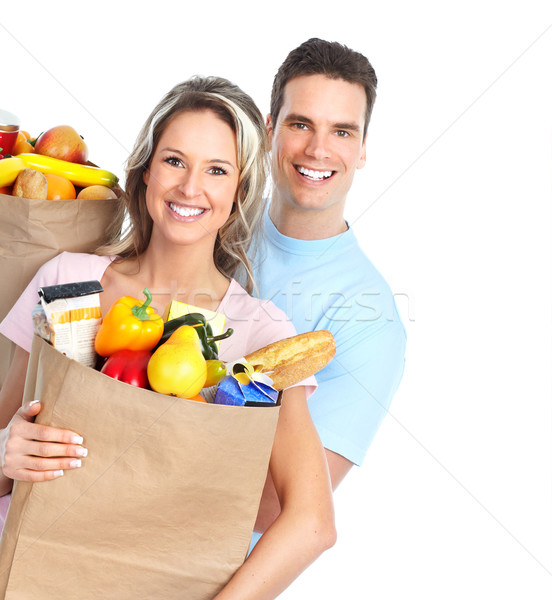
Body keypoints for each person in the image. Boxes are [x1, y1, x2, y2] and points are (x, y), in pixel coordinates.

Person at [0, 75, 335, 598]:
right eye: (174, 161)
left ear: (239, 192)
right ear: (146, 172)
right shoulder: (67, 280)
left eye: (217, 170)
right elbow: (4, 438)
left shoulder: (260, 333)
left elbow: (312, 522)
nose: (190, 187)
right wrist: (5, 454)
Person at [250, 38, 407, 537]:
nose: (318, 149)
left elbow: (274, 505)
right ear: (269, 130)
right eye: (301, 124)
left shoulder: (370, 321)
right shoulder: (205, 226)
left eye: (341, 131)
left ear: (362, 150)